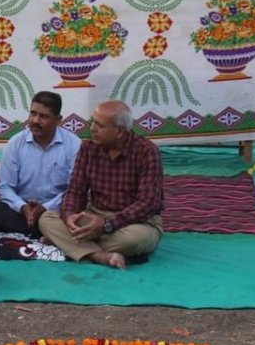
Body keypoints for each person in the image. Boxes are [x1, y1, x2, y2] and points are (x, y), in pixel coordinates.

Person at [38, 100, 163, 269]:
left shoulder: (147, 151)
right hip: (94, 214)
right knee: (47, 219)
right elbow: (75, 190)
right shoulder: (88, 148)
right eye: (92, 122)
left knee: (133, 240)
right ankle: (100, 256)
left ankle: (66, 243)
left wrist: (107, 225)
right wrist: (69, 217)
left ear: (119, 131)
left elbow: (148, 204)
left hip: (136, 222)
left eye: (100, 125)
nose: (92, 129)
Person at [0, 91, 81, 237]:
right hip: (22, 211)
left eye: (43, 116)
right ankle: (47, 233)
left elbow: (75, 189)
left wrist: (45, 208)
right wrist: (22, 207)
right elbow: (4, 186)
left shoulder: (73, 144)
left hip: (56, 211)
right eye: (33, 114)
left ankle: (41, 229)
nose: (35, 120)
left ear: (58, 120)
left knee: (78, 212)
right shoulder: (16, 143)